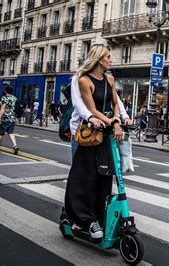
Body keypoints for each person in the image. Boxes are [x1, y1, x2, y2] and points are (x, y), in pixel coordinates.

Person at [64, 44, 124, 239]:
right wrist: (111, 122)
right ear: (99, 59)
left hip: (105, 134)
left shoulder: (110, 79)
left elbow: (116, 103)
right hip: (89, 134)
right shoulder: (82, 80)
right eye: (108, 56)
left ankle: (100, 216)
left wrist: (120, 119)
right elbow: (89, 109)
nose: (111, 59)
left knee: (104, 177)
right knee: (85, 178)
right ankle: (86, 219)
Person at [0, 86, 19, 154]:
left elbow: (3, 108)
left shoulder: (4, 98)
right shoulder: (14, 98)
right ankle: (15, 145)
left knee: (0, 133)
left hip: (5, 118)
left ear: (5, 91)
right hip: (12, 118)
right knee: (11, 132)